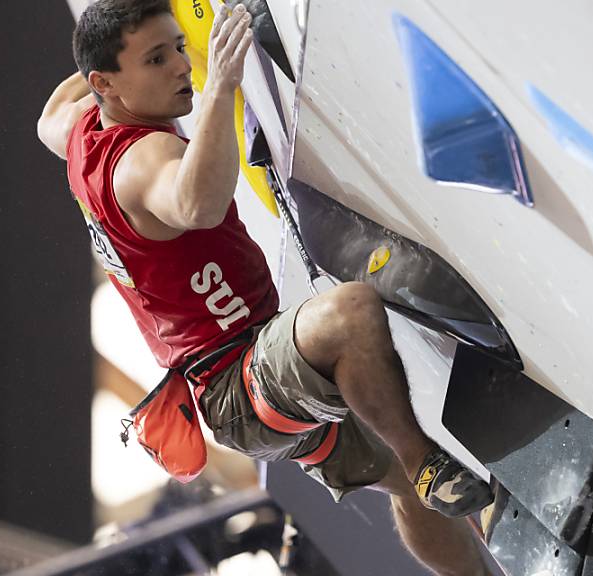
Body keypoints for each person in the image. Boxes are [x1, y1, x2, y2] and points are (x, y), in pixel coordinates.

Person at [36, 1, 494, 573]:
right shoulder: (143, 160)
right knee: (349, 316)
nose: (182, 67)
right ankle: (426, 462)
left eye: (179, 48)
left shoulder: (78, 130)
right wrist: (222, 84)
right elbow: (195, 205)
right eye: (158, 59)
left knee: (415, 492)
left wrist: (132, 42)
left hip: (245, 383)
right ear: (107, 84)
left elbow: (47, 115)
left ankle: (435, 497)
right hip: (241, 385)